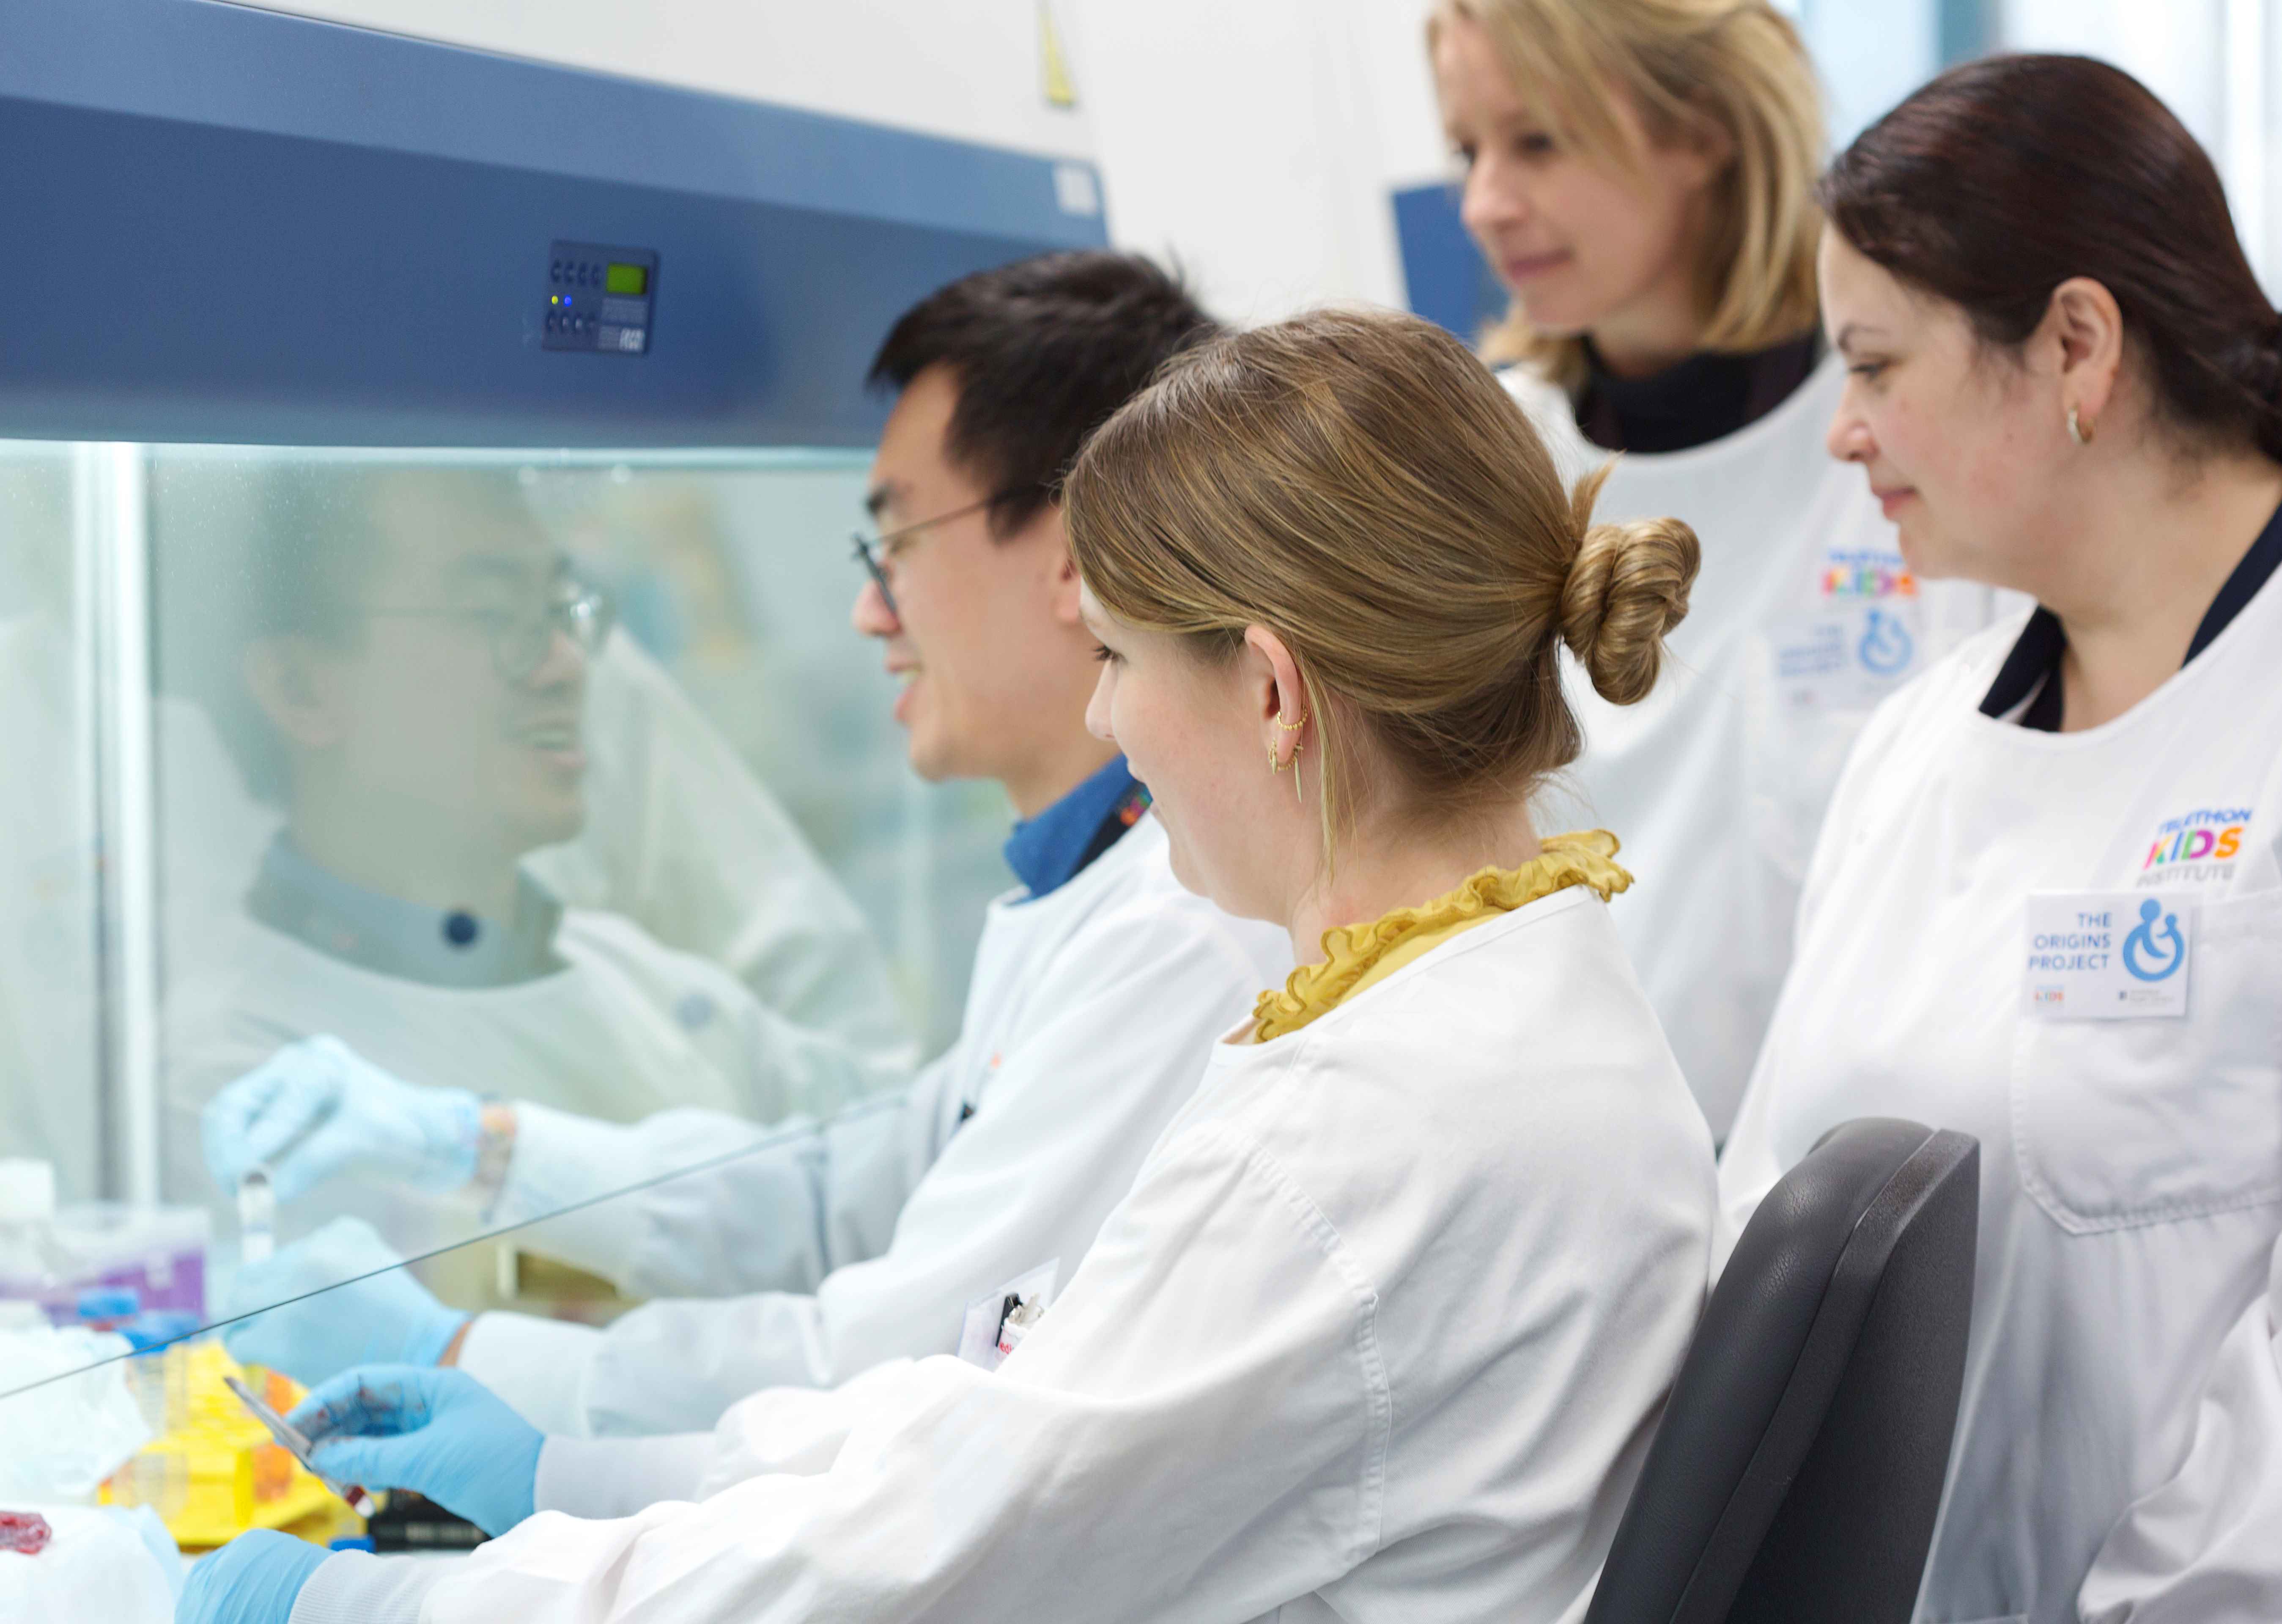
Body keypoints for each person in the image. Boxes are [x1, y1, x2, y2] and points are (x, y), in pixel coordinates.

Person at [176, 306, 1719, 1624]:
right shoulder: (1521, 989)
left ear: (1267, 693)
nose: (1103, 722)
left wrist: (392, 1600)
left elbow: (926, 1564)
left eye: (1116, 657)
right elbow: (1010, 1430)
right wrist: (575, 1472)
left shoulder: (1354, 1134)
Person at [202, 252, 1287, 1439]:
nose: (871, 610)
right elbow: (846, 1194)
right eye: (484, 614)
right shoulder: (1089, 886)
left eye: (897, 545)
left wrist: (452, 1352)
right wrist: (474, 1145)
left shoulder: (1183, 926)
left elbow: (885, 1370)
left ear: (1074, 556)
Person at [1716, 55, 2282, 1622]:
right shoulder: (1919, 743)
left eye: (1877, 366)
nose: (1844, 437)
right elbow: (1761, 1224)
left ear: (2075, 347)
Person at [1429, 0, 2008, 1136]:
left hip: (1861, 1196)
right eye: (1468, 150)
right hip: (1547, 1172)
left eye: (1537, 140)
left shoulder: (1904, 449)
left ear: (1706, 129)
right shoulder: (1478, 463)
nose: (1485, 204)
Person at [162, 466, 914, 1303]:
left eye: (562, 611)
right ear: (301, 688)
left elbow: (903, 1195)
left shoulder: (661, 995)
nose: (564, 665)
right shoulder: (242, 1078)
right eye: (491, 616)